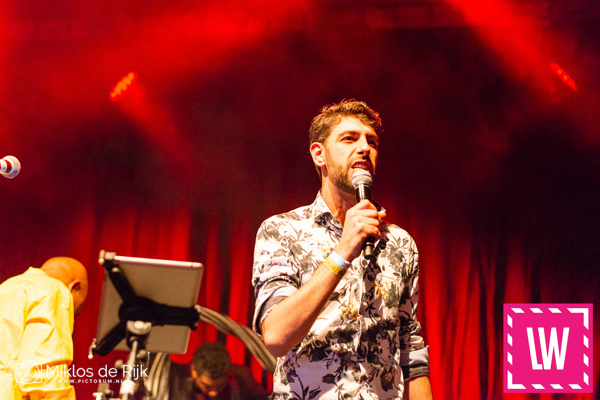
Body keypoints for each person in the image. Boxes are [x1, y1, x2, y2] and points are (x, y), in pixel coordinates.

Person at [252, 100, 433, 400]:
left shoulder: (400, 243)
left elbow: (410, 348)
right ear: (319, 154)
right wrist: (343, 250)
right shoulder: (282, 231)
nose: (364, 148)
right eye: (349, 139)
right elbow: (276, 337)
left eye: (371, 142)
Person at [0, 257, 88, 400]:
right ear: (74, 287)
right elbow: (43, 374)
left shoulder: (5, 287)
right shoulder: (54, 289)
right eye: (76, 310)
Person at [169, 342, 268, 400]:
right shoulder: (175, 381)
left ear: (229, 372)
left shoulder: (242, 377)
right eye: (206, 385)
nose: (213, 393)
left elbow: (261, 398)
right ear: (193, 371)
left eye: (221, 385)